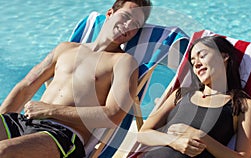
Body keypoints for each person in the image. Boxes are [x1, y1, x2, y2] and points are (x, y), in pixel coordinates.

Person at [0, 0, 151, 157]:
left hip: (63, 135)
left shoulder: (123, 62)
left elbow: (113, 115)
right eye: (125, 16)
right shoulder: (65, 48)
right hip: (25, 121)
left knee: (3, 151)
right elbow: (26, 86)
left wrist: (51, 111)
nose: (127, 26)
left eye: (135, 24)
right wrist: (2, 118)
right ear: (110, 13)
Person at [136, 36, 251, 157]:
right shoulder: (181, 94)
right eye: (193, 62)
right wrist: (174, 142)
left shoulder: (243, 105)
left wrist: (200, 136)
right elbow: (143, 134)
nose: (196, 64)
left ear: (224, 56)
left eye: (202, 56)